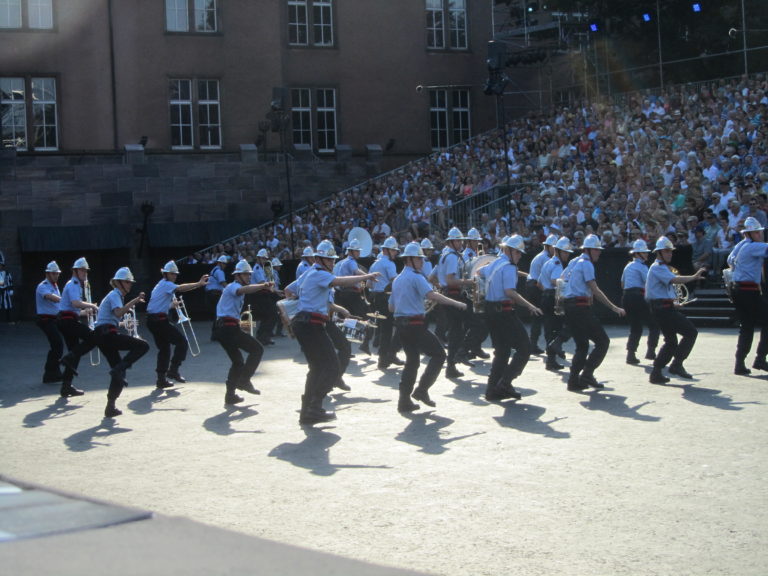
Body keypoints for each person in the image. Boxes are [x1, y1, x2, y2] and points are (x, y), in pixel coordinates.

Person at [291, 240, 380, 425]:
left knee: (317, 367)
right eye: (328, 260)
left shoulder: (310, 273)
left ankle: (308, 409)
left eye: (332, 260)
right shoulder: (319, 274)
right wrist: (367, 276)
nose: (332, 263)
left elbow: (289, 290)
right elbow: (339, 281)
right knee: (331, 366)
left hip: (308, 323)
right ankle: (313, 405)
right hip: (310, 324)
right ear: (319, 260)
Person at [390, 242, 465, 412]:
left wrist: (411, 302)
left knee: (412, 362)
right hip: (415, 325)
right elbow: (432, 295)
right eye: (419, 258)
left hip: (401, 324)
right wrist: (456, 303)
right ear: (409, 260)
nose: (422, 262)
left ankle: (404, 400)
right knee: (439, 355)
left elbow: (391, 308)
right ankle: (422, 390)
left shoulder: (397, 280)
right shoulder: (416, 277)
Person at [561, 234, 625, 391]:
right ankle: (587, 374)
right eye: (596, 250)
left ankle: (574, 381)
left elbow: (561, 281)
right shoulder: (587, 264)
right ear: (589, 250)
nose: (599, 252)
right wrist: (614, 307)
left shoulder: (573, 261)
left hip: (570, 306)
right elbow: (595, 289)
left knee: (582, 345)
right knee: (603, 342)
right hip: (580, 308)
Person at [483, 235, 543, 401]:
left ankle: (492, 389)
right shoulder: (508, 266)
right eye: (517, 253)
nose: (520, 256)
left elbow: (479, 272)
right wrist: (530, 305)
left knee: (502, 351)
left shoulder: (494, 262)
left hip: (490, 310)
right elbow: (510, 292)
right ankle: (505, 383)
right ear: (509, 251)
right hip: (503, 311)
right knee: (525, 347)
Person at [645, 236, 706, 384]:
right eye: (666, 251)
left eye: (670, 251)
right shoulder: (657, 267)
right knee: (691, 332)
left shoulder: (661, 268)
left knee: (671, 342)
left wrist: (674, 304)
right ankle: (676, 365)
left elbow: (664, 290)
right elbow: (674, 280)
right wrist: (693, 277)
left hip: (664, 308)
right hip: (662, 310)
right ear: (659, 253)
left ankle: (656, 372)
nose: (669, 254)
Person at [93, 267, 150, 418]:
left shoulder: (115, 296)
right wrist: (135, 301)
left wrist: (125, 325)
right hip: (106, 335)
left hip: (104, 334)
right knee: (143, 346)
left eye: (130, 282)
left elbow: (111, 319)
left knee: (118, 373)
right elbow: (119, 313)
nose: (130, 285)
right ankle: (119, 368)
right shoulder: (115, 294)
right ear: (118, 283)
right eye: (127, 282)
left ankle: (110, 406)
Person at [214, 259, 272, 405]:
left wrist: (273, 290)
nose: (248, 277)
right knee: (257, 349)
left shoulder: (238, 287)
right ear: (237, 276)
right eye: (246, 275)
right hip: (227, 328)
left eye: (249, 275)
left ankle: (230, 395)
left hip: (225, 328)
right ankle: (244, 381)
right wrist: (262, 285)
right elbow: (242, 290)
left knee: (238, 362)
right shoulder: (232, 287)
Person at [145, 261, 208, 389]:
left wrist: (170, 306)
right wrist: (198, 284)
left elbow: (155, 306)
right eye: (172, 274)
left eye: (175, 274)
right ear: (165, 274)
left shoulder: (162, 285)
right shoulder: (166, 284)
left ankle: (161, 379)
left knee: (164, 349)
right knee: (182, 343)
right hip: (158, 321)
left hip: (154, 320)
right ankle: (173, 370)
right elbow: (180, 288)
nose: (174, 276)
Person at [435, 227, 479, 378]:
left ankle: (452, 364)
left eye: (461, 240)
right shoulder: (452, 257)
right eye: (458, 240)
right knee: (473, 324)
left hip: (449, 294)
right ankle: (460, 354)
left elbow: (432, 277)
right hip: (454, 295)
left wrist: (441, 287)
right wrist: (470, 282)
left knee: (456, 331)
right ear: (451, 241)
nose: (461, 243)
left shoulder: (444, 255)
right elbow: (450, 280)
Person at [727, 217, 768, 375]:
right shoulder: (752, 247)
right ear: (751, 234)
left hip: (739, 289)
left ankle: (740, 362)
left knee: (747, 326)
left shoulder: (741, 245)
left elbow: (729, 259)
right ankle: (760, 358)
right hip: (748, 290)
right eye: (758, 233)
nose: (760, 235)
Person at [57, 257, 99, 398]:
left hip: (68, 320)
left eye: (85, 271)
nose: (85, 273)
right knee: (93, 337)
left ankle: (66, 386)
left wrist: (85, 311)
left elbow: (72, 309)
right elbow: (75, 303)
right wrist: (91, 305)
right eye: (82, 270)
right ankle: (69, 358)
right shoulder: (74, 284)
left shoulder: (75, 284)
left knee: (74, 352)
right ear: (75, 271)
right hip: (68, 322)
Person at [621, 239, 660, 365]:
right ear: (637, 254)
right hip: (638, 297)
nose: (647, 254)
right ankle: (651, 351)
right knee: (654, 325)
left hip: (627, 296)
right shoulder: (642, 267)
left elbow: (622, 284)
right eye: (644, 252)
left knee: (635, 327)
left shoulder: (627, 266)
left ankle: (630, 354)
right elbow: (649, 282)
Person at [538, 237, 573, 372]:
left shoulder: (547, 263)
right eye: (565, 252)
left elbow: (540, 283)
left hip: (545, 296)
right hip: (553, 297)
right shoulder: (557, 264)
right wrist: (565, 286)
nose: (567, 255)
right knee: (558, 327)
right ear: (558, 251)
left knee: (549, 329)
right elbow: (555, 281)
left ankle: (551, 360)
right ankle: (552, 357)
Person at [369, 236, 404, 370]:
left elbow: (369, 284)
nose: (395, 253)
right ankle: (388, 355)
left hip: (376, 298)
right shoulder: (389, 264)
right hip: (386, 297)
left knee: (384, 328)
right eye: (394, 251)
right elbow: (395, 281)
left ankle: (384, 357)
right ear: (387, 250)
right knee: (394, 327)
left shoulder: (374, 264)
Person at [333, 238, 372, 354]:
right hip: (350, 294)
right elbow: (357, 273)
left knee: (347, 320)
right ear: (350, 252)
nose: (359, 253)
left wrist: (361, 285)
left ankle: (346, 349)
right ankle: (365, 343)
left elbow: (357, 279)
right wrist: (370, 276)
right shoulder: (351, 262)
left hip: (346, 294)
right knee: (367, 317)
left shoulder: (346, 262)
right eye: (357, 251)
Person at [526, 233, 558, 354]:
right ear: (548, 247)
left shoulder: (542, 256)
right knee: (542, 316)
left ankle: (533, 344)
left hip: (532, 285)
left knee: (537, 317)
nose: (555, 251)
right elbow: (548, 279)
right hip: (535, 287)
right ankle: (544, 345)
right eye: (553, 248)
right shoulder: (546, 259)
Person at [35, 261, 64, 384]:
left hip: (55, 319)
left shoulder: (55, 285)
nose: (56, 276)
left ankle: (53, 373)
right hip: (45, 320)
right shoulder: (43, 286)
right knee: (57, 344)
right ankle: (50, 373)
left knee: (57, 346)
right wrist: (67, 302)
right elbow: (51, 297)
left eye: (57, 274)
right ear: (47, 274)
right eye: (54, 273)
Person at [249, 248, 279, 346]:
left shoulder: (262, 268)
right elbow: (263, 283)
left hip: (264, 294)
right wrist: (275, 290)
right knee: (272, 315)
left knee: (268, 316)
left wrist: (276, 290)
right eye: (263, 258)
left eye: (266, 259)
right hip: (259, 295)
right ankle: (263, 337)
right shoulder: (257, 269)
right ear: (258, 258)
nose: (265, 261)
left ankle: (263, 337)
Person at [205, 255, 229, 340]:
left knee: (217, 314)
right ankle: (217, 335)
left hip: (211, 294)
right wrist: (231, 289)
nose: (225, 266)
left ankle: (215, 335)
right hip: (215, 294)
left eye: (225, 264)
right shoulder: (219, 272)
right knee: (219, 314)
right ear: (219, 263)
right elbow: (223, 283)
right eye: (223, 264)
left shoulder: (214, 270)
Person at [0, 256, 13, 323]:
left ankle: (9, 320)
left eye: (1, 265)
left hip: (5, 291)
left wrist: (11, 289)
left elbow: (10, 281)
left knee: (7, 304)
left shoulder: (7, 273)